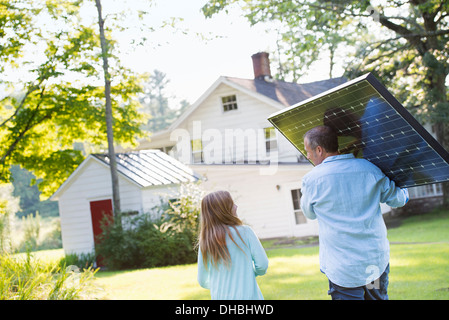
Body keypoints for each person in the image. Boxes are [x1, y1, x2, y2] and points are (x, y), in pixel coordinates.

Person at [300, 125, 409, 300]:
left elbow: (309, 213)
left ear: (319, 150)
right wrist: (406, 180)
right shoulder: (369, 168)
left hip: (342, 268)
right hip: (374, 263)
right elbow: (398, 199)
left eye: (308, 151)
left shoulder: (312, 180)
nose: (307, 156)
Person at [197, 190, 269, 300]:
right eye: (232, 204)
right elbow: (262, 265)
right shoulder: (245, 232)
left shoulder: (205, 241)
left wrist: (222, 285)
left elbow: (202, 281)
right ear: (224, 210)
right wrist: (251, 273)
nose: (236, 206)